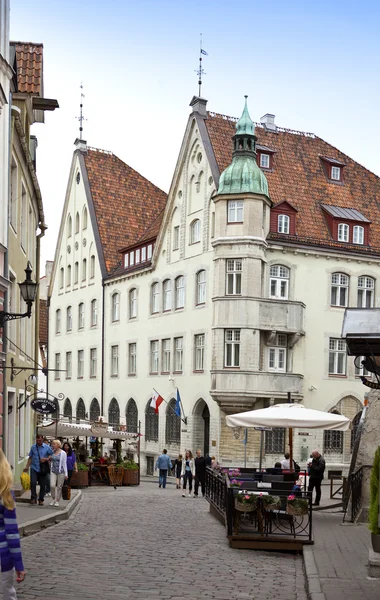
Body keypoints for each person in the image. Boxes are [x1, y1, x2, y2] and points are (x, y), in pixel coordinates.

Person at [0, 449, 26, 599]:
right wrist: (19, 565)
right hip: (4, 552)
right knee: (7, 592)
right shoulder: (6, 494)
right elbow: (11, 532)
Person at [23, 434, 53, 506]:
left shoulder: (47, 447)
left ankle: (41, 499)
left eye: (39, 440)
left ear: (42, 439)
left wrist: (46, 459)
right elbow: (30, 457)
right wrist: (27, 466)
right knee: (33, 483)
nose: (38, 441)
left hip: (43, 469)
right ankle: (33, 498)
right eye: (37, 440)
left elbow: (52, 455)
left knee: (43, 485)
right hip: (34, 468)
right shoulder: (33, 447)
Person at [49, 440, 68, 507]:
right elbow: (50, 461)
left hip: (61, 472)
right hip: (53, 471)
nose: (52, 445)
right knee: (52, 485)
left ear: (58, 445)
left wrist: (66, 474)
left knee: (59, 486)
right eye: (52, 444)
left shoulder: (63, 453)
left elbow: (64, 463)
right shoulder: (52, 452)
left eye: (54, 444)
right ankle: (53, 498)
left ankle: (57, 500)